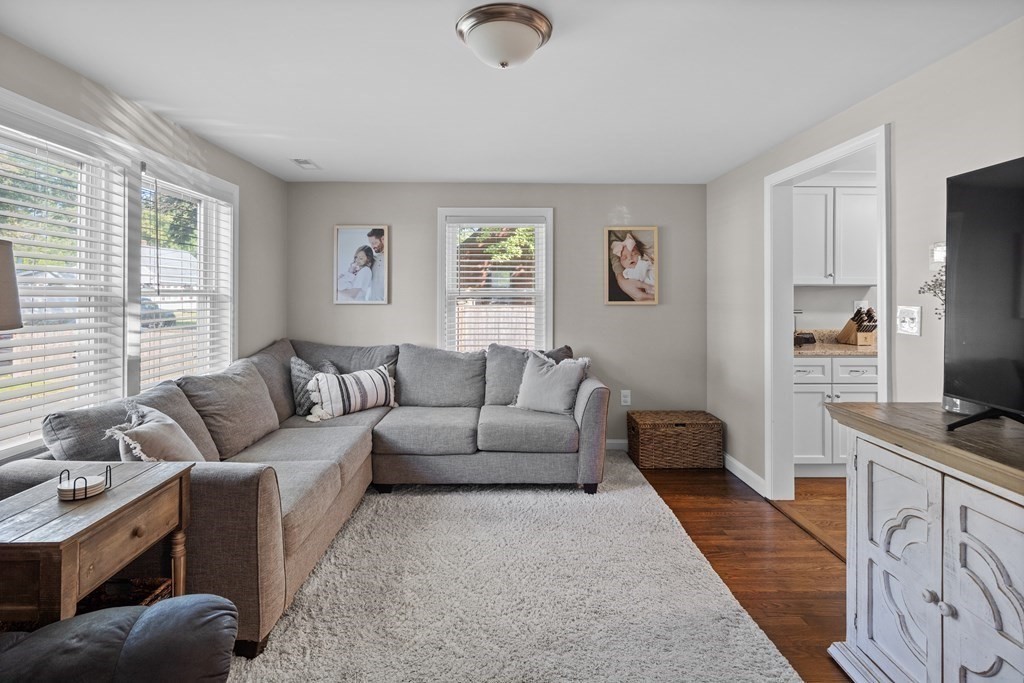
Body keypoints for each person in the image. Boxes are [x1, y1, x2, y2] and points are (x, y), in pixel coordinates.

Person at [608, 231, 655, 302]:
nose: (630, 258)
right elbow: (639, 275)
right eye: (624, 258)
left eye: (634, 254)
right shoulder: (627, 273)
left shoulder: (644, 260)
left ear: (640, 254)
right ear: (621, 263)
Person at [366, 227, 387, 302]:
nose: (372, 247)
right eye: (371, 243)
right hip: (371, 302)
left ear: (383, 239)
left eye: (374, 243)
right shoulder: (373, 259)